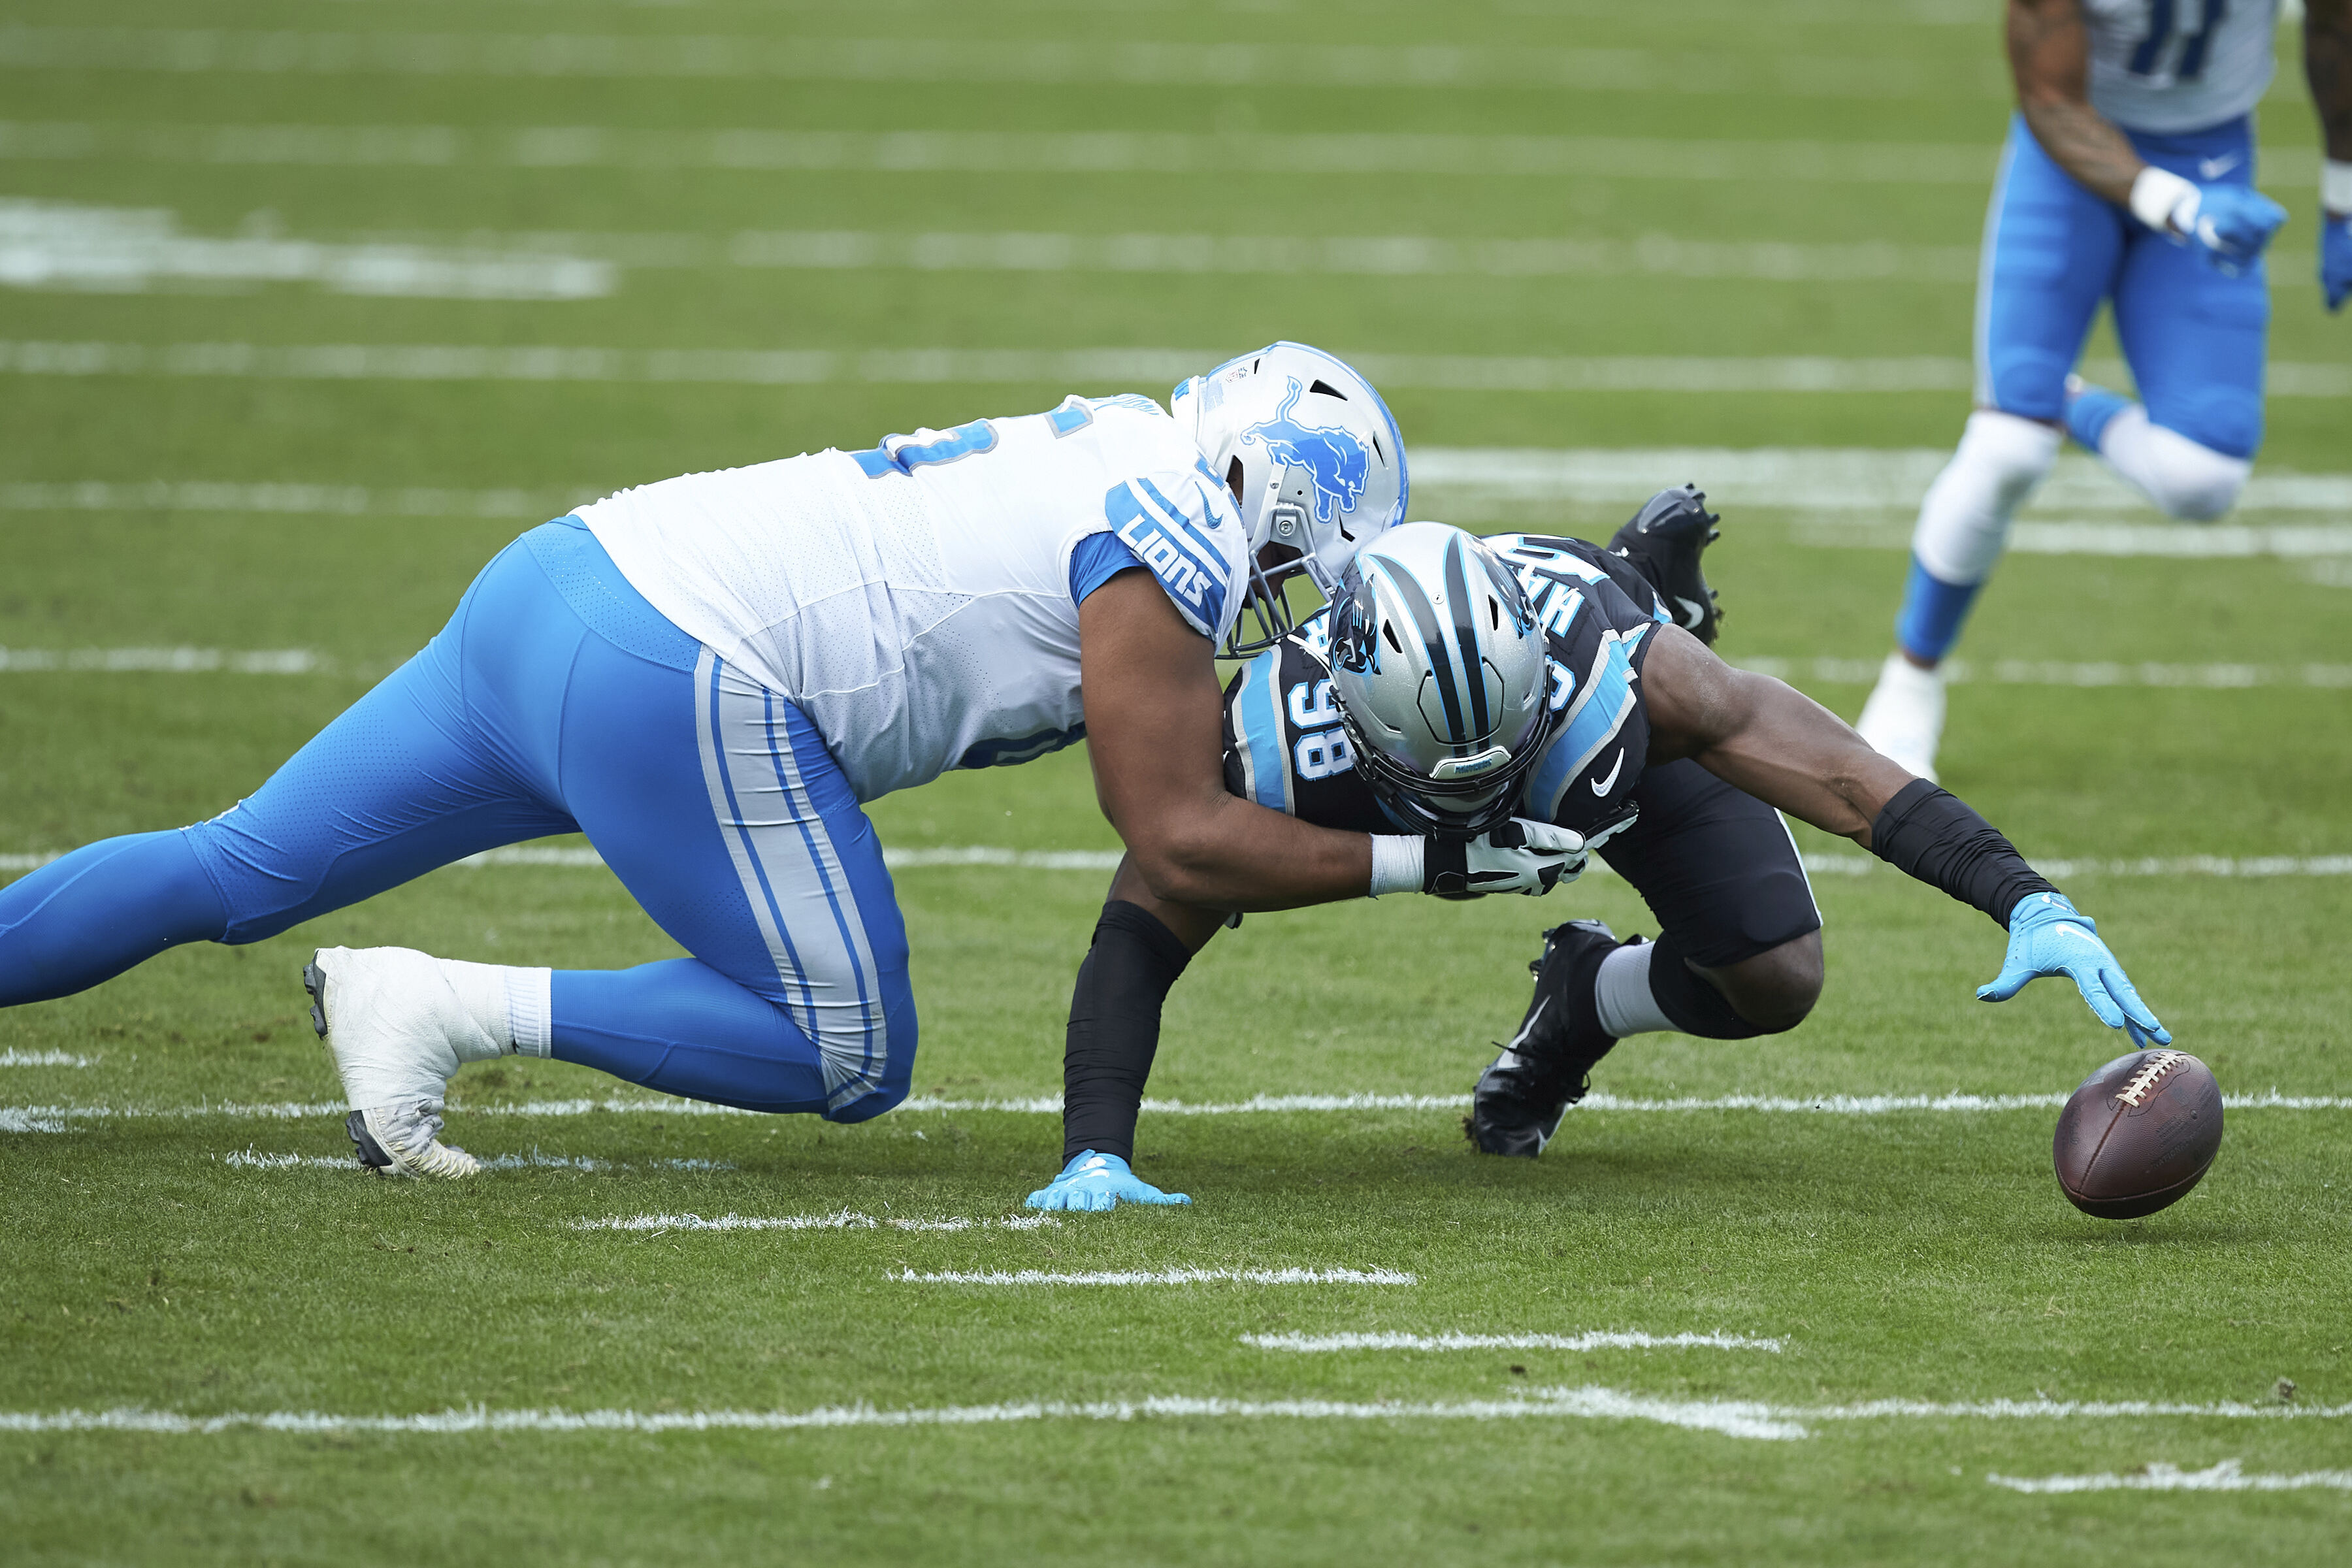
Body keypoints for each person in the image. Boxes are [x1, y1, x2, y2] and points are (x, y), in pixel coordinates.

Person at [0, 343, 1591, 1179]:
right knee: (847, 1044)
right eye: (1307, 561)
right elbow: (1174, 834)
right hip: (681, 661)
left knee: (237, 864)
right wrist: (1434, 858)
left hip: (568, 577)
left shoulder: (1129, 443)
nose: (1293, 605)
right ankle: (435, 1000)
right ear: (1268, 482)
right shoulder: (1168, 525)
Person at [1025, 501, 2167, 1210]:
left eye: (1499, 755)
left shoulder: (1624, 677)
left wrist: (2024, 895)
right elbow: (1159, 889)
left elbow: (1848, 779)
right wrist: (1095, 1150)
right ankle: (1650, 570)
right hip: (1441, 764)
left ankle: (1585, 998)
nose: (1476, 793)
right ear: (1350, 709)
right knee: (1203, 862)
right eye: (1444, 776)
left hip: (1595, 687)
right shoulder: (1278, 738)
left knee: (1777, 976)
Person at [1855, 0, 2352, 780]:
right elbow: (2050, 99)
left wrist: (2343, 187)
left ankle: (2070, 401)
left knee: (2204, 479)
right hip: (2070, 159)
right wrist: (2181, 207)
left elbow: (2334, 26)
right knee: (2009, 447)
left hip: (2214, 153)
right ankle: (1910, 679)